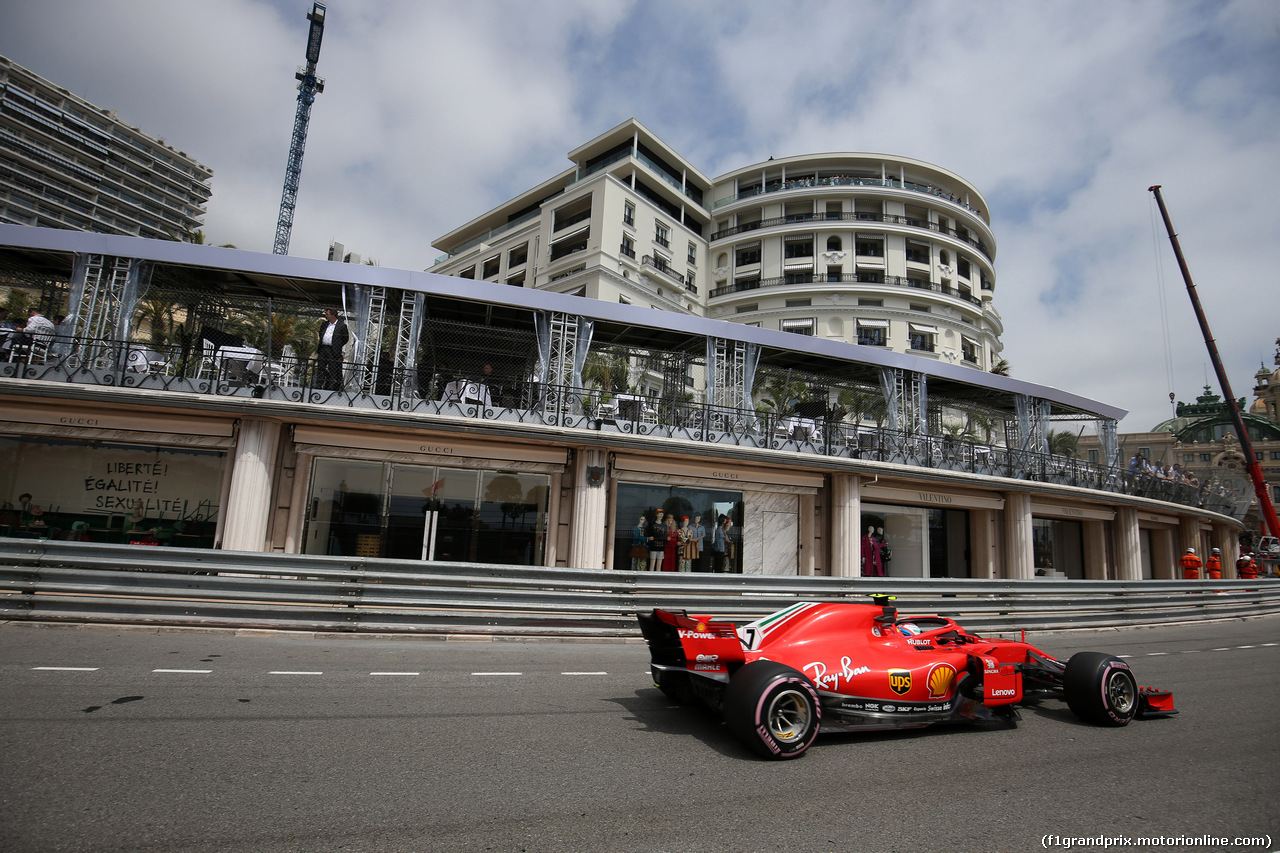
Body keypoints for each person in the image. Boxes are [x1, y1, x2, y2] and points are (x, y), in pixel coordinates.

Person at [315, 308, 349, 391]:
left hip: (333, 350)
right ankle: (319, 385)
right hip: (324, 348)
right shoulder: (325, 324)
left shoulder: (341, 325)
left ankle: (331, 386)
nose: (326, 316)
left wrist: (338, 345)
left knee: (332, 368)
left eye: (327, 314)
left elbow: (345, 338)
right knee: (321, 367)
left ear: (333, 315)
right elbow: (321, 333)